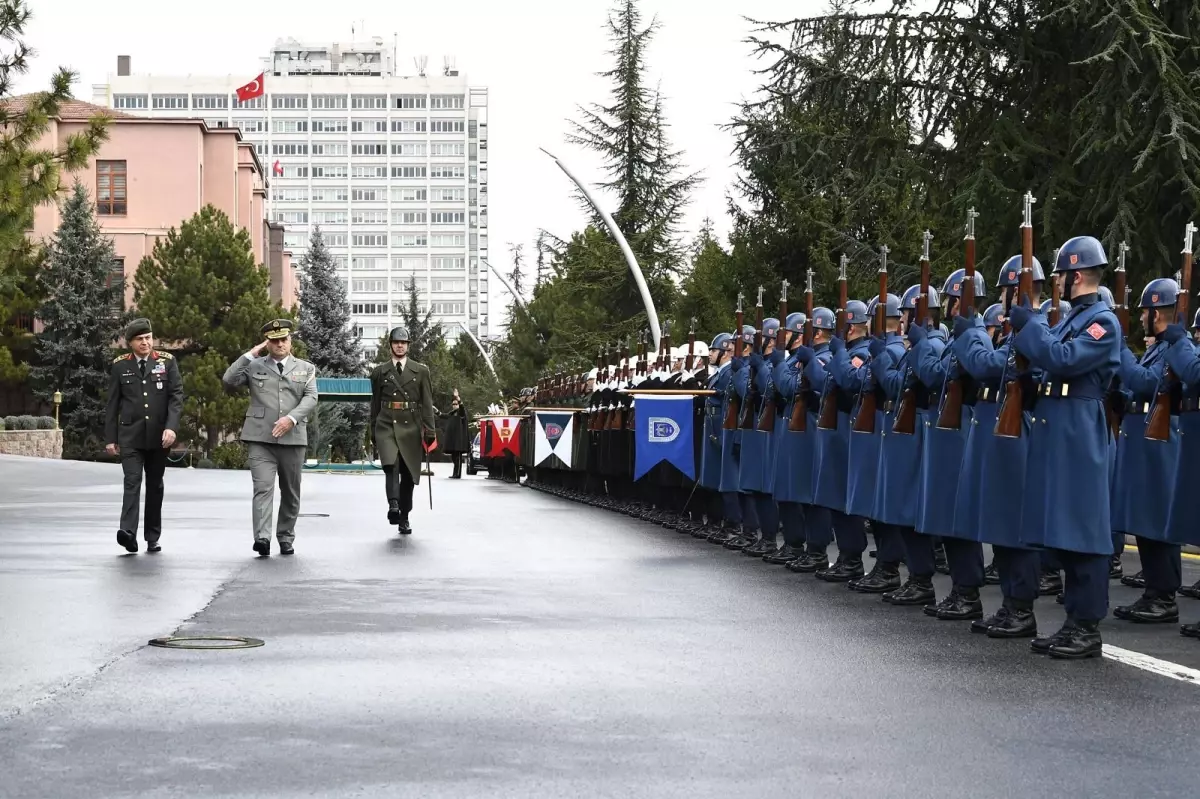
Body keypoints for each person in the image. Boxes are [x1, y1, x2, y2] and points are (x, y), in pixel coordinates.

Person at [1009, 236, 1121, 659]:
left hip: (1080, 430)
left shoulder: (1102, 322)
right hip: (1059, 427)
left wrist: (1030, 324)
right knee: (1063, 528)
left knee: (1084, 530)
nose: (1054, 282)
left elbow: (1063, 357)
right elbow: (1048, 361)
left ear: (1075, 276)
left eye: (1059, 274)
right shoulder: (1072, 318)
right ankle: (1074, 621)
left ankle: (1087, 626)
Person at [221, 319, 319, 557]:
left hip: (293, 438)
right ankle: (262, 538)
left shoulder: (305, 368)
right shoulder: (255, 366)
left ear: (290, 340)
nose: (279, 344)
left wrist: (291, 419)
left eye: (283, 339)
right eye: (274, 341)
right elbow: (229, 380)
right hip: (260, 438)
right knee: (263, 488)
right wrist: (249, 354)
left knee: (290, 491)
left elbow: (311, 397)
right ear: (268, 343)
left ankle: (285, 536)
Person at [104, 317, 183, 554]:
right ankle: (128, 533)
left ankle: (152, 536)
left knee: (155, 485)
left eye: (148, 338)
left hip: (160, 436)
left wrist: (171, 427)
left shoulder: (167, 362)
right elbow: (112, 404)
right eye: (140, 339)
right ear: (130, 342)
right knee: (132, 482)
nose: (146, 343)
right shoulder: (120, 366)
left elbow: (176, 397)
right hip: (130, 436)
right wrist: (110, 438)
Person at [370, 326, 437, 534]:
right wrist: (372, 430)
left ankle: (404, 516)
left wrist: (430, 429)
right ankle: (393, 505)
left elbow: (427, 402)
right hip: (387, 423)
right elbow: (375, 403)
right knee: (391, 465)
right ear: (390, 345)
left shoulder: (421, 371)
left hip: (412, 425)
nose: (400, 346)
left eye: (403, 343)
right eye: (396, 342)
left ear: (408, 346)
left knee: (408, 474)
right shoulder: (380, 371)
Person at [439, 389, 469, 479]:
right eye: (453, 404)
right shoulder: (452, 413)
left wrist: (458, 398)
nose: (454, 406)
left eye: (456, 404)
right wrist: (436, 411)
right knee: (453, 457)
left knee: (458, 458)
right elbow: (443, 415)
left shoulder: (460, 413)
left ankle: (457, 474)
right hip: (453, 440)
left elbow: (462, 409)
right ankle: (455, 473)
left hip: (459, 440)